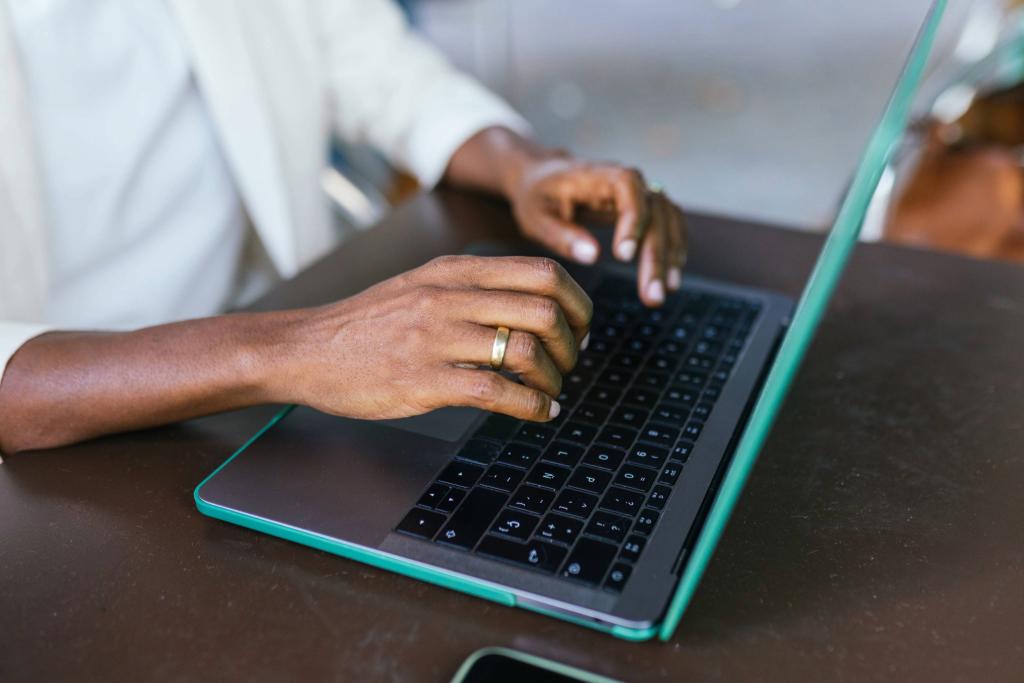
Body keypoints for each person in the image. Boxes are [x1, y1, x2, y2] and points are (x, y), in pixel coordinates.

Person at [0, 0, 686, 455]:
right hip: (74, 440)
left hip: (277, 382)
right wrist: (300, 348)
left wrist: (523, 164)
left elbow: (378, 65)